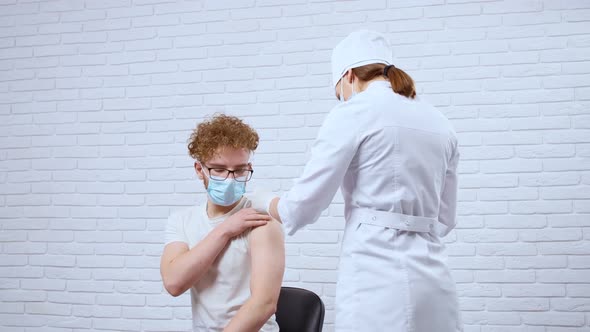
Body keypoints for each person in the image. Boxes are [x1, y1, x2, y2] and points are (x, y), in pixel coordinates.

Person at [252, 30, 462, 332]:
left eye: (338, 91)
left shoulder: (352, 113)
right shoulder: (440, 121)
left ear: (348, 76)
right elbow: (446, 218)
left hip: (376, 277)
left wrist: (263, 200)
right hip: (434, 277)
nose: (340, 98)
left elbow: (302, 207)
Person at [160, 114, 284, 332]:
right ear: (200, 170)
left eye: (239, 170)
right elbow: (174, 283)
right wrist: (225, 230)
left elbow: (263, 304)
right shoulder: (182, 220)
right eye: (218, 169)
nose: (229, 179)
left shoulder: (260, 219)